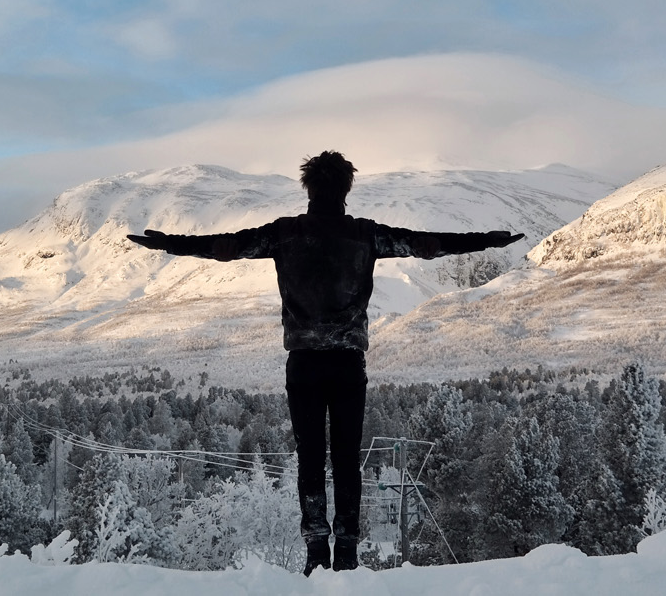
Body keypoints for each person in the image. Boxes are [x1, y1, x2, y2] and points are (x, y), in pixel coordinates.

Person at [127, 151, 523, 575]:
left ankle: (317, 550)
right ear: (346, 189)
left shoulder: (284, 234)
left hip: (303, 364)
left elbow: (224, 245)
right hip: (348, 362)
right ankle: (347, 551)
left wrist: (171, 243)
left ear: (308, 188)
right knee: (347, 458)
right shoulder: (367, 236)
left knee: (311, 457)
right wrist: (485, 239)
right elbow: (431, 241)